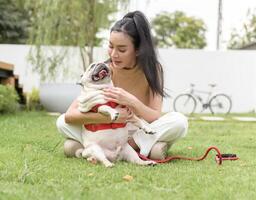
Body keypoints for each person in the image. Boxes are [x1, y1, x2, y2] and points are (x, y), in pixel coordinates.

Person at [56, 10, 188, 160]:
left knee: (179, 122)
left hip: (137, 130)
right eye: (111, 46)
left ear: (137, 50)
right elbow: (70, 116)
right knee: (61, 123)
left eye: (122, 49)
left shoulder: (153, 69)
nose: (113, 55)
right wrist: (112, 118)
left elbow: (154, 116)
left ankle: (121, 147)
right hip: (106, 131)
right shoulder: (104, 71)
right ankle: (145, 149)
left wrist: (130, 101)